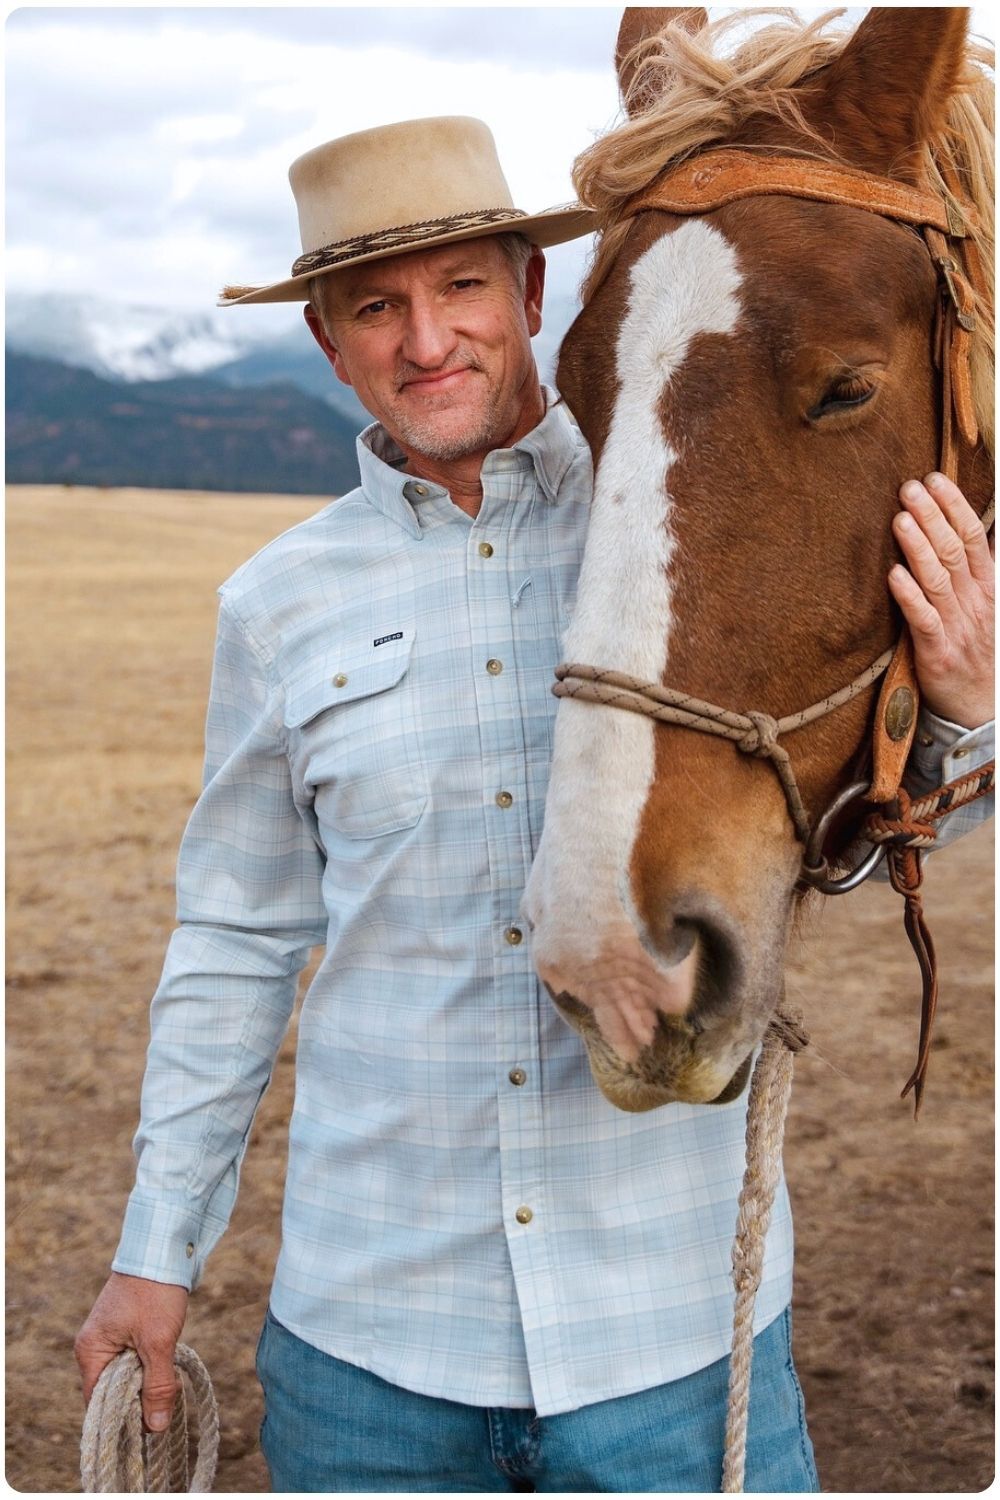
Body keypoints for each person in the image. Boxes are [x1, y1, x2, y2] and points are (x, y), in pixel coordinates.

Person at [75, 116, 995, 1492]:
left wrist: (968, 710)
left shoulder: (685, 507)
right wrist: (156, 1252)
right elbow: (236, 941)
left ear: (532, 293)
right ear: (328, 344)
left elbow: (851, 837)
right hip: (372, 1359)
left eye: (460, 288)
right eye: (375, 307)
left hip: (672, 1344)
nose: (426, 340)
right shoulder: (275, 606)